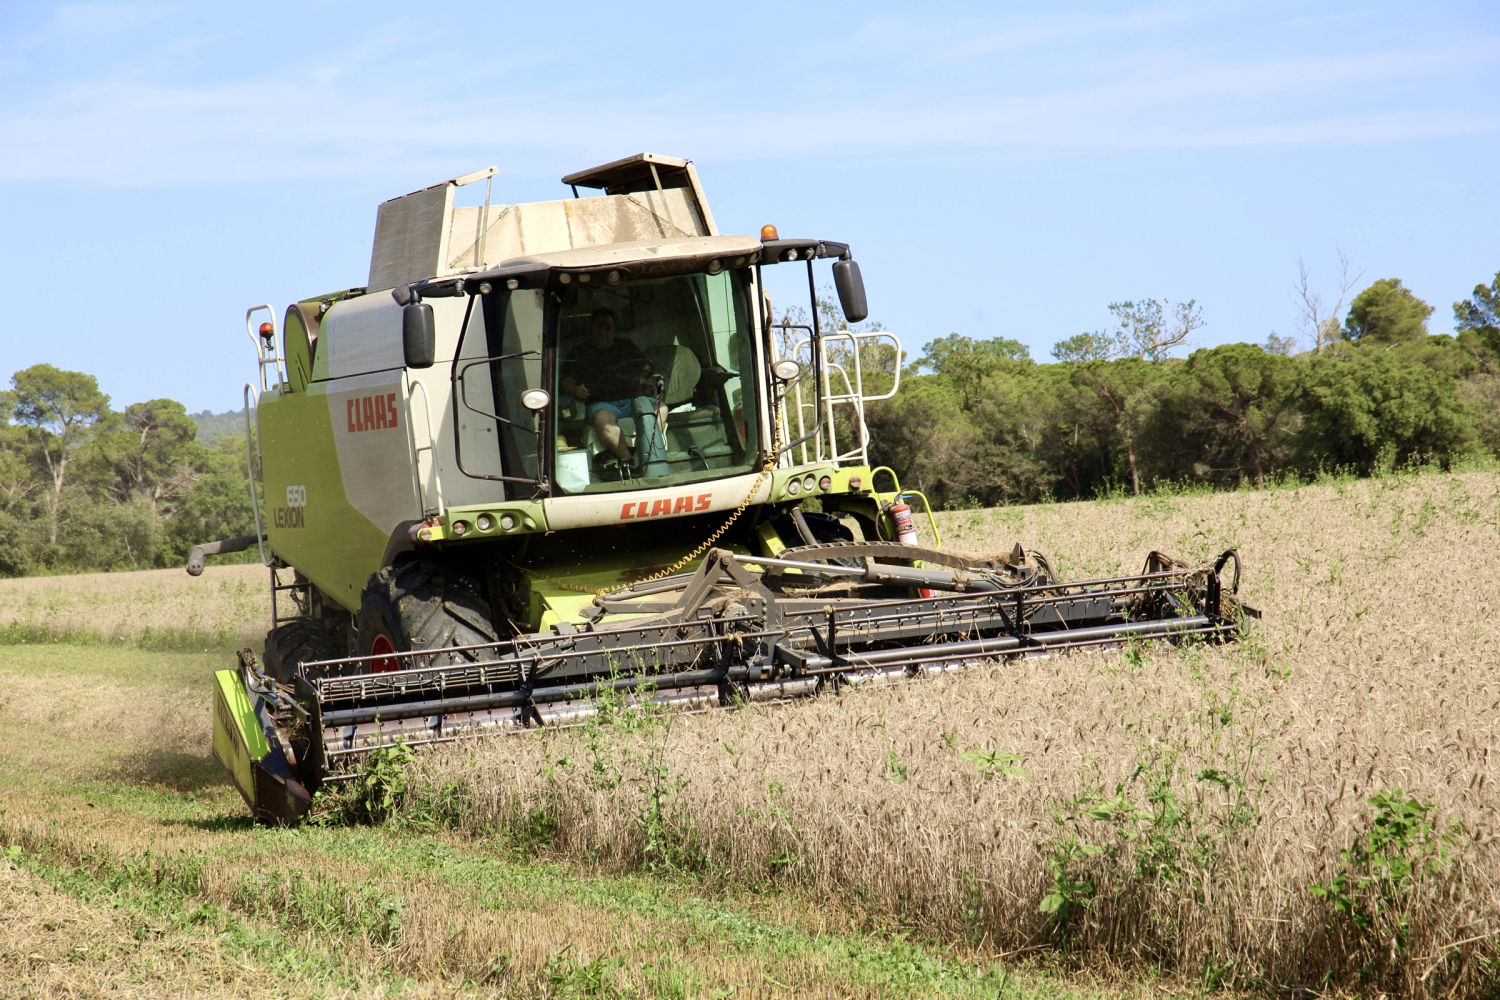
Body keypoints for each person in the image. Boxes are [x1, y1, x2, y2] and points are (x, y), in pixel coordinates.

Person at [560, 308, 668, 467]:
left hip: (634, 400)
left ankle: (643, 456)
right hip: (603, 404)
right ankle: (628, 460)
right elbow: (566, 380)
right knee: (601, 418)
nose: (603, 331)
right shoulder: (579, 352)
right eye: (599, 327)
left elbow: (645, 365)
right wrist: (576, 389)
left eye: (608, 327)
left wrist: (643, 374)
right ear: (591, 329)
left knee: (661, 409)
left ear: (614, 329)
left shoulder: (627, 346)